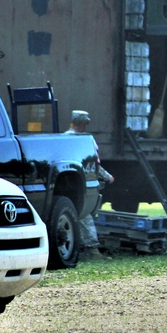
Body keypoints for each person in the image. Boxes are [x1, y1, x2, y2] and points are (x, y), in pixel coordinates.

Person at [66, 110, 114, 260]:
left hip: (67, 184)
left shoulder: (64, 138)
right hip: (80, 185)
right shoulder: (84, 141)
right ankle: (92, 250)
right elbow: (92, 163)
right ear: (82, 123)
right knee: (85, 215)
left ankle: (75, 248)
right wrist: (107, 177)